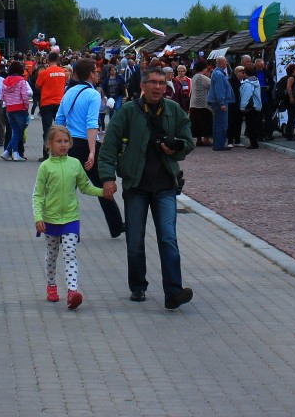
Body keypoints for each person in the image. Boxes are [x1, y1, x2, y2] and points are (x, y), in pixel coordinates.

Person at [99, 67, 195, 308]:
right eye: (153, 82)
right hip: (136, 185)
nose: (158, 87)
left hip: (165, 186)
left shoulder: (173, 110)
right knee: (135, 239)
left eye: (162, 82)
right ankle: (138, 286)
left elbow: (188, 140)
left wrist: (176, 147)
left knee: (168, 238)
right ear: (143, 85)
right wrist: (108, 178)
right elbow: (109, 146)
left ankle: (173, 292)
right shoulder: (128, 112)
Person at [34, 125, 111, 310]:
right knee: (52, 256)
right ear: (49, 144)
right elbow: (37, 195)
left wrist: (103, 192)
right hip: (50, 219)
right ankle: (51, 285)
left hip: (70, 218)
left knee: (70, 253)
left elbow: (85, 186)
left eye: (66, 141)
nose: (63, 145)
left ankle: (72, 291)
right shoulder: (45, 167)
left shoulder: (75, 164)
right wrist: (38, 217)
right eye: (58, 141)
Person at [54, 59, 124, 238]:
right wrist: (93, 151)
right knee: (102, 185)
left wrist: (57, 145)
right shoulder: (92, 94)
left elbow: (60, 120)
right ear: (91, 74)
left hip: (68, 144)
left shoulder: (69, 92)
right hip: (86, 143)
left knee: (67, 188)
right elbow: (92, 124)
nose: (98, 73)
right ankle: (116, 225)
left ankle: (60, 228)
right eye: (96, 71)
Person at [1, 60, 33, 161]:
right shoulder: (21, 80)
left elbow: (2, 96)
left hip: (9, 108)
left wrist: (8, 102)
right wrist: (26, 107)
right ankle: (13, 153)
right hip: (20, 108)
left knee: (15, 131)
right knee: (19, 132)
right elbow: (24, 95)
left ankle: (9, 152)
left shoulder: (5, 81)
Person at [35, 51, 68, 143]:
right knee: (61, 128)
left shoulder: (44, 73)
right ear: (57, 60)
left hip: (46, 103)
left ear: (48, 60)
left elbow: (37, 86)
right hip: (60, 103)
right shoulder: (63, 72)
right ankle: (61, 151)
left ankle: (46, 153)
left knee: (47, 129)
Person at [207, 57, 236, 151]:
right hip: (219, 102)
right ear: (220, 63)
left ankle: (217, 144)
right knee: (221, 124)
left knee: (217, 123)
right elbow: (219, 90)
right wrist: (222, 103)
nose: (226, 63)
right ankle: (219, 144)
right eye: (225, 62)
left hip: (216, 102)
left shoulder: (216, 73)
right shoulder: (219, 74)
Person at [188, 61, 213, 146]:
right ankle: (206, 139)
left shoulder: (194, 76)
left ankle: (199, 139)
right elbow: (212, 84)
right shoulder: (202, 77)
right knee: (205, 121)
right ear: (205, 68)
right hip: (202, 104)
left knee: (196, 123)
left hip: (193, 103)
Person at [238, 64, 262, 149]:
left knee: (250, 125)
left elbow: (246, 96)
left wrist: (242, 107)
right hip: (257, 106)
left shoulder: (248, 83)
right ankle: (255, 142)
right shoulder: (256, 81)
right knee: (254, 125)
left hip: (250, 107)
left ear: (245, 73)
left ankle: (254, 143)